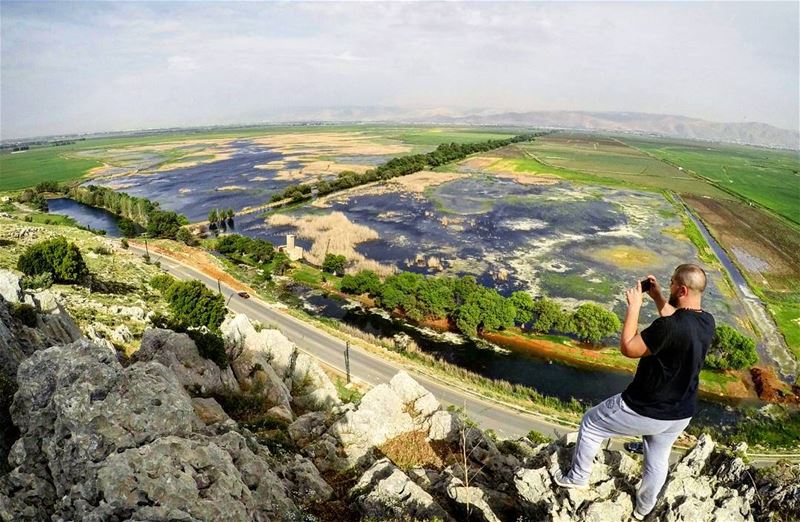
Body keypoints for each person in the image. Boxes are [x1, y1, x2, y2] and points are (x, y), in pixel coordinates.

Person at [553, 264, 715, 520]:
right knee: (657, 457)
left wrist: (635, 306)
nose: (670, 285)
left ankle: (577, 477)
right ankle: (642, 509)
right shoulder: (706, 320)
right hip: (680, 413)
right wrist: (658, 296)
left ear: (682, 289)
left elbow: (629, 348)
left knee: (591, 423)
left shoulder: (667, 328)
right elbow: (677, 320)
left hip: (645, 408)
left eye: (672, 283)